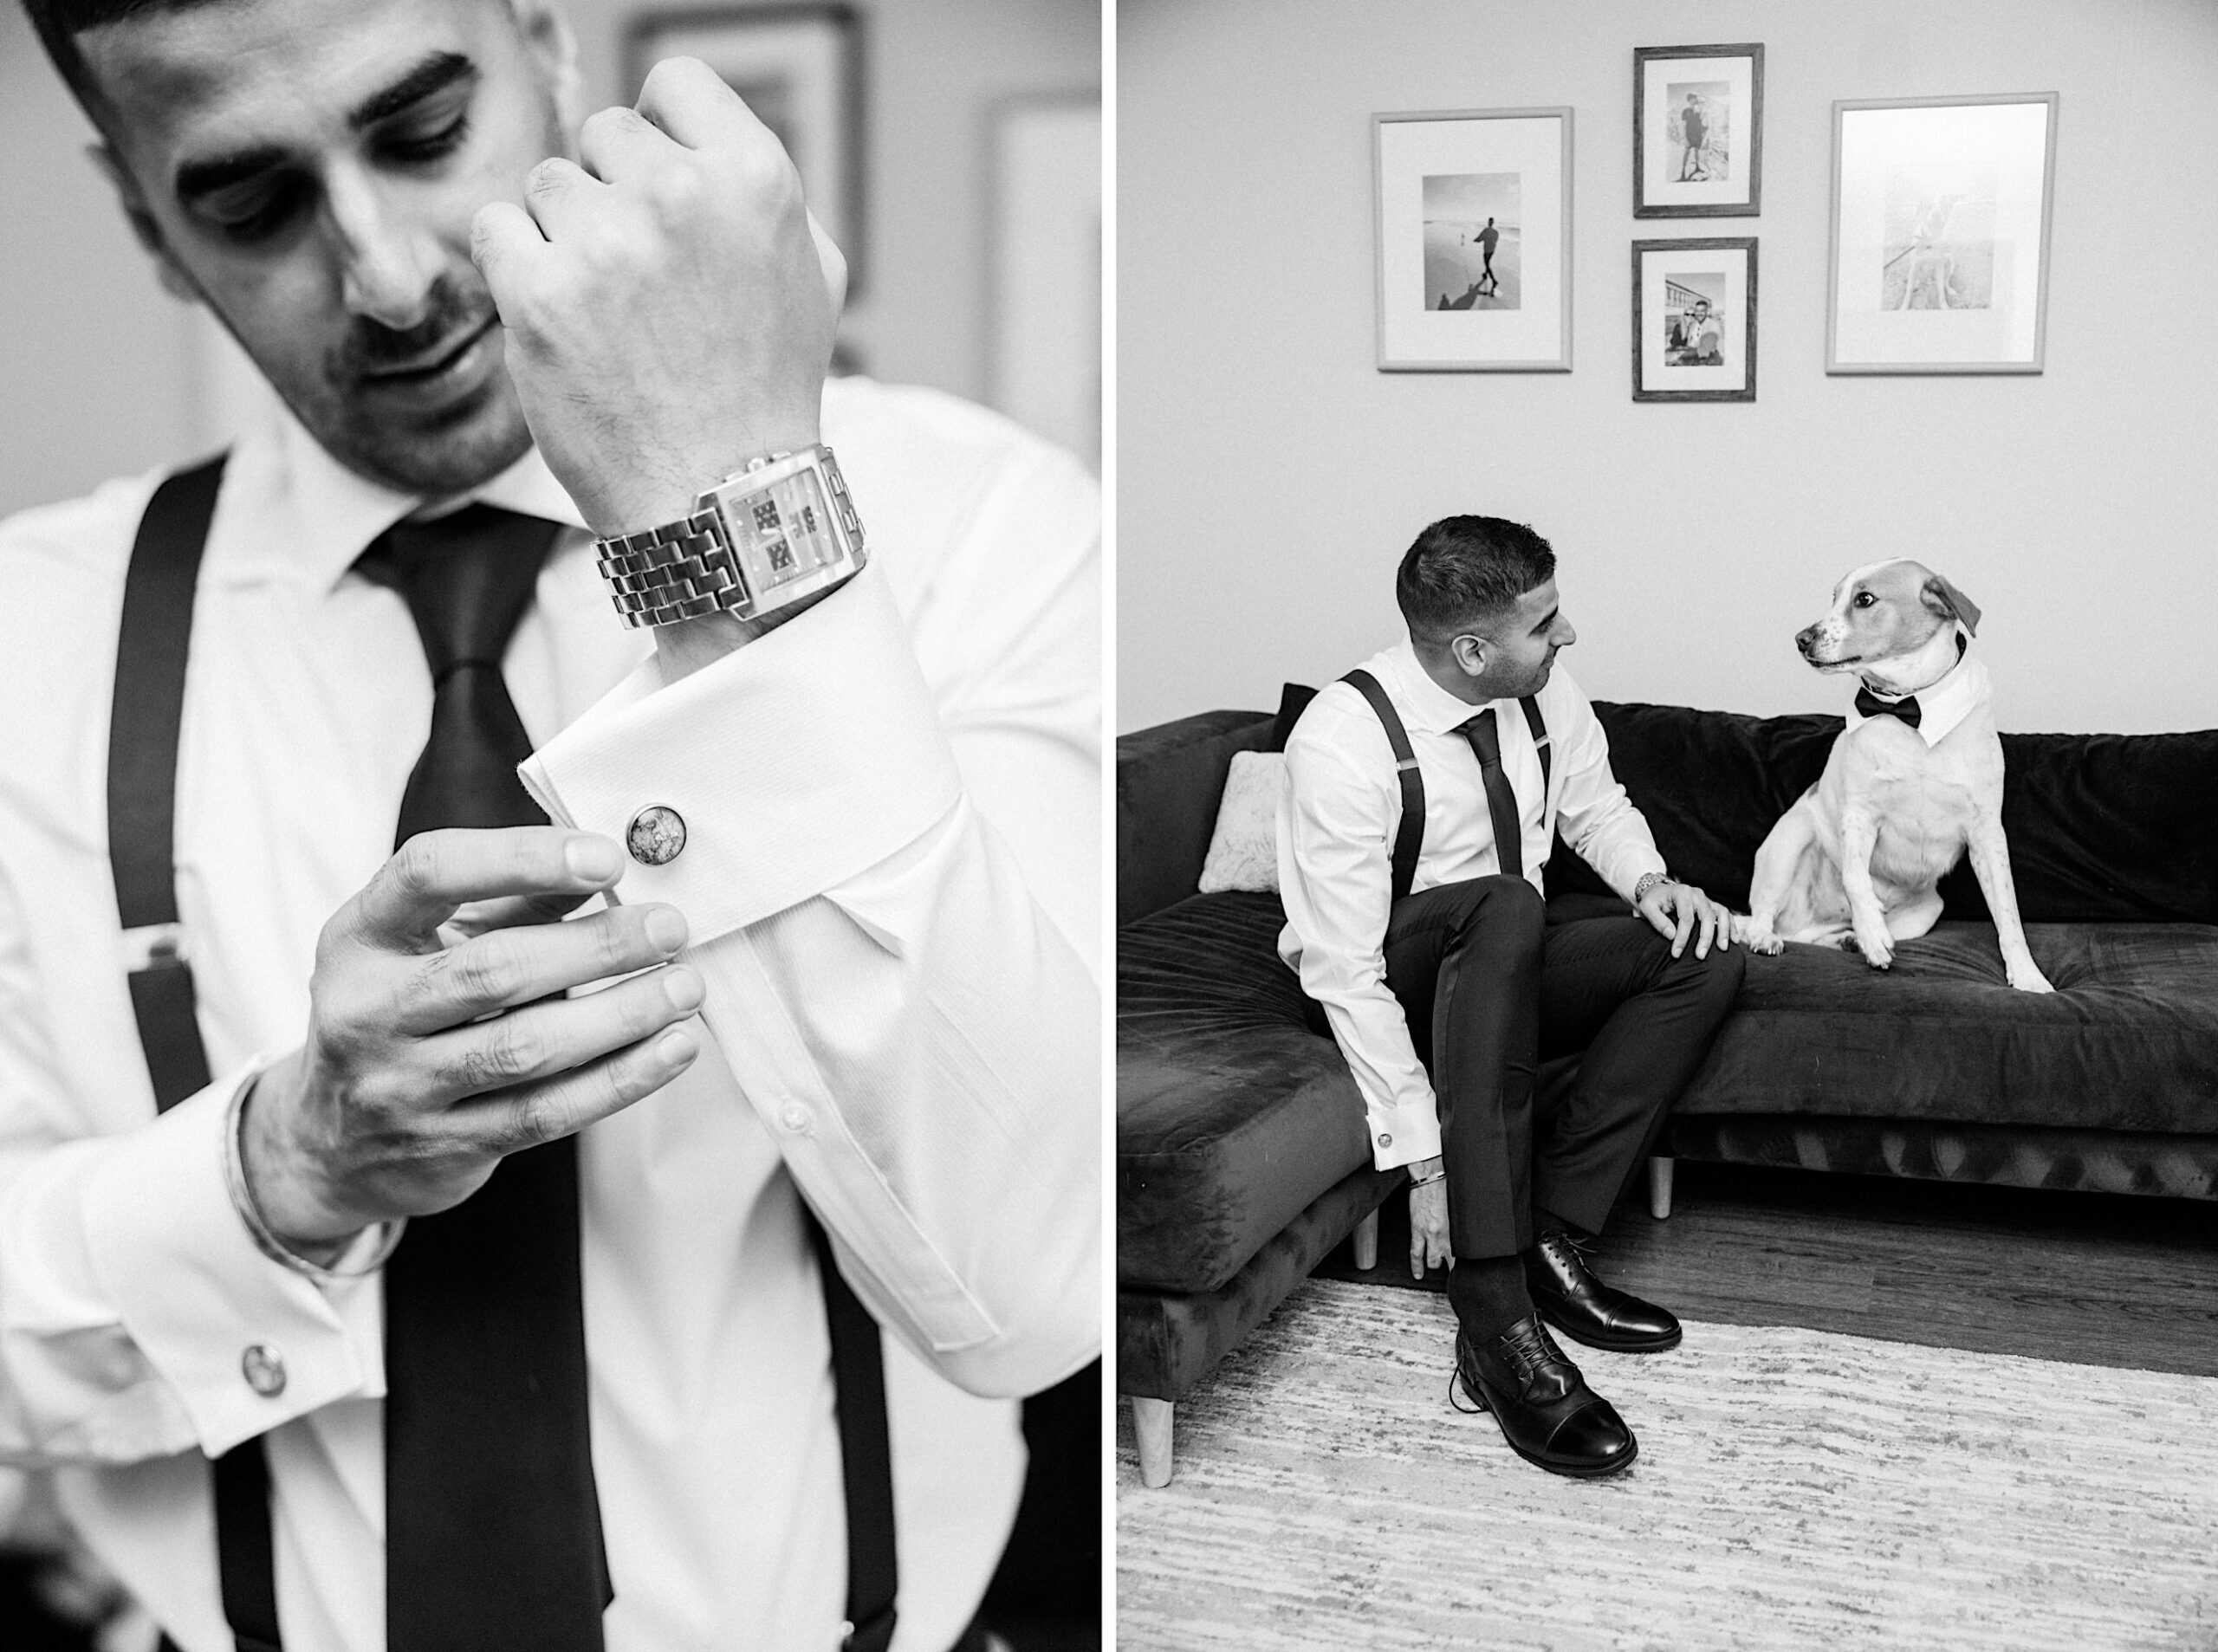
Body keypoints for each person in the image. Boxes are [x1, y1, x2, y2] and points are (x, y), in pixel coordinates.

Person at [0, 1, 1099, 1649]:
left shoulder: (977, 525)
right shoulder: (27, 642)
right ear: (143, 221)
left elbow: (1046, 1283)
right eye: (249, 202)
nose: (381, 274)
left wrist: (716, 543)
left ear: (546, 47)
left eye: (423, 130)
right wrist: (278, 1171)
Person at [1277, 515, 1743, 1479]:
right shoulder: (1342, 741)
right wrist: (1427, 1158)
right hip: (1399, 977)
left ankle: (1543, 1229)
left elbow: (1596, 804)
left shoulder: (1541, 688)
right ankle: (1494, 1323)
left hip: (1511, 952)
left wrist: (1653, 884)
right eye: (1546, 622)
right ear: (1471, 648)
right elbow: (1342, 970)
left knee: (1704, 950)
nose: (1566, 634)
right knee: (1501, 901)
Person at [1476, 217, 1501, 297]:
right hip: (1492, 250)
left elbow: (1480, 238)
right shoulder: (1496, 232)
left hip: (1487, 250)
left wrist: (1475, 240)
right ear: (1492, 223)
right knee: (1488, 262)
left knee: (1487, 264)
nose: (1489, 223)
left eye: (1489, 222)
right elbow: (1496, 240)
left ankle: (1494, 280)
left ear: (1489, 222)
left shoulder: (1486, 230)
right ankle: (1485, 274)